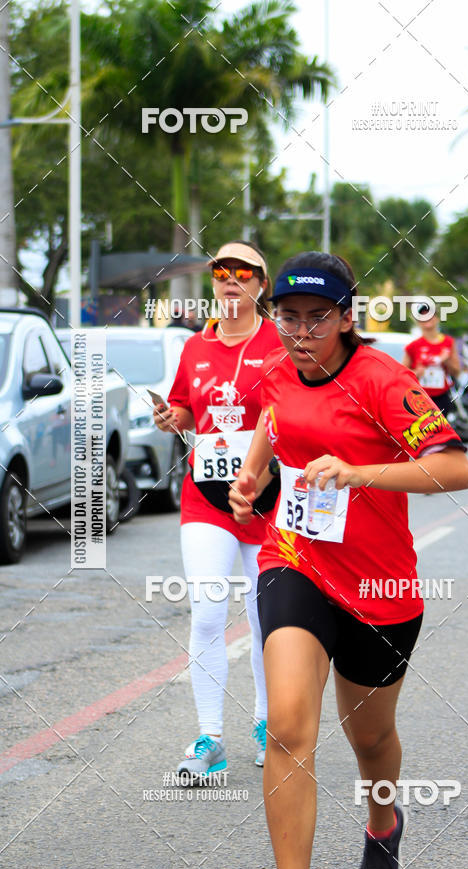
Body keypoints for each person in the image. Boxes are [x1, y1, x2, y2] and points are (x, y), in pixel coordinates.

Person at [229, 252, 468, 869]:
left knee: (370, 740)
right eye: (287, 317)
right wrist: (253, 474)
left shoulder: (382, 379)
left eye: (317, 318)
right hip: (296, 560)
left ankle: (383, 822)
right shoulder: (278, 370)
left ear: (345, 316)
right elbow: (271, 417)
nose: (300, 332)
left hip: (379, 587)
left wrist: (359, 474)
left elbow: (455, 469)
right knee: (286, 726)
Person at [153, 240, 281, 779]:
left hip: (269, 500)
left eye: (242, 270)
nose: (230, 278)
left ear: (260, 283)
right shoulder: (195, 348)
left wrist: (261, 475)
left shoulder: (279, 342)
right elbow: (187, 408)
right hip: (205, 498)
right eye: (220, 270)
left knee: (264, 618)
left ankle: (266, 725)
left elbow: (289, 413)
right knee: (207, 610)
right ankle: (210, 736)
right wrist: (171, 417)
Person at [402, 304, 461, 416]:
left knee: (441, 431)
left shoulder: (448, 343)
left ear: (437, 318)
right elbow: (403, 375)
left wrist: (446, 360)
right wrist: (416, 373)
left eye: (430, 315)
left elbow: (457, 371)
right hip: (419, 399)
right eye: (422, 316)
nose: (426, 318)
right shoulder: (413, 346)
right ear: (418, 322)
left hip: (442, 397)